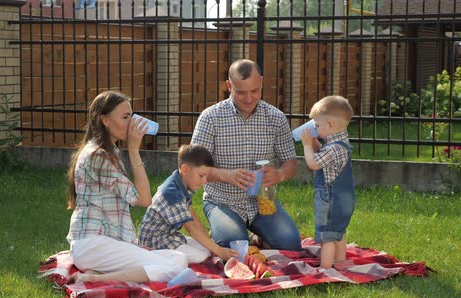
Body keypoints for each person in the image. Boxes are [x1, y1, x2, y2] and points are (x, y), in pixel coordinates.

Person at [66, 90, 187, 283]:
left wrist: (133, 248)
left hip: (102, 243)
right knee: (174, 266)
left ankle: (95, 275)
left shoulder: (108, 150)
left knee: (178, 258)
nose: (132, 123)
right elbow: (144, 199)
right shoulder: (98, 156)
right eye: (125, 117)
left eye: (132, 116)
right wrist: (133, 150)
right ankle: (95, 279)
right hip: (94, 245)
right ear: (105, 120)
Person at [190, 59, 302, 251]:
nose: (249, 99)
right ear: (228, 86)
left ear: (261, 82)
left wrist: (280, 174)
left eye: (254, 91)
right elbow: (193, 168)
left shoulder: (276, 117)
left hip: (264, 202)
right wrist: (227, 175)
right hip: (222, 201)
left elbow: (290, 162)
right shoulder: (210, 118)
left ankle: (254, 240)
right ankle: (227, 233)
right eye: (241, 92)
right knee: (233, 245)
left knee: (290, 244)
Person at [138, 144, 238, 263]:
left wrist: (211, 244)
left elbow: (192, 215)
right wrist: (219, 251)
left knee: (206, 250)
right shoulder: (172, 194)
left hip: (169, 235)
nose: (204, 181)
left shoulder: (181, 182)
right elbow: (191, 228)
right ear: (185, 169)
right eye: (201, 176)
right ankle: (154, 256)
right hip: (154, 241)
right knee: (201, 256)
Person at [300, 95, 355, 269]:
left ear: (330, 124)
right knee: (338, 232)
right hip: (344, 199)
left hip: (331, 199)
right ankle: (340, 262)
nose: (315, 128)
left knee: (327, 237)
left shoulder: (333, 148)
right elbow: (322, 157)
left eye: (317, 125)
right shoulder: (340, 144)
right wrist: (316, 144)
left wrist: (307, 145)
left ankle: (325, 268)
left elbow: (314, 163)